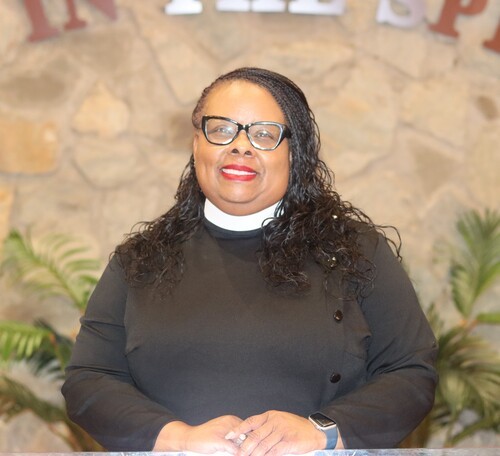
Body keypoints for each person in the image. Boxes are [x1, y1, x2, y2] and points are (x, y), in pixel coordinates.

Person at [62, 67, 438, 454]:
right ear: (197, 143)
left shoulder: (355, 252)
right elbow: (88, 380)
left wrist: (319, 431)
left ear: (294, 152)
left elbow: (411, 374)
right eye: (222, 129)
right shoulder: (140, 260)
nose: (240, 146)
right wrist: (180, 438)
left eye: (264, 134)